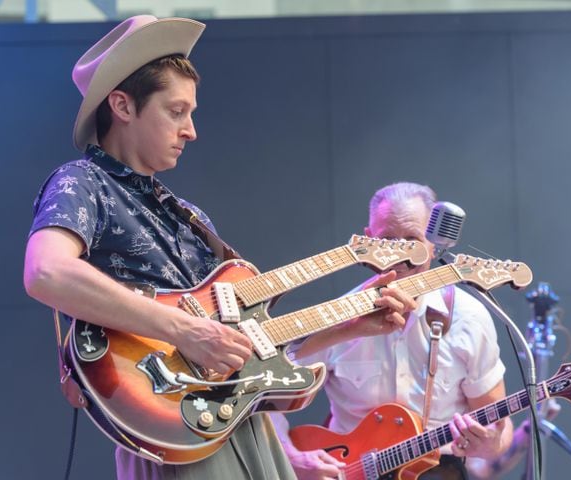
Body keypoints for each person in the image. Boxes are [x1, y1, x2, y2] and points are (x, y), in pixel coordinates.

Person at [23, 15, 415, 480]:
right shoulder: (83, 182)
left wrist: (346, 325)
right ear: (122, 106)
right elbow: (46, 271)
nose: (191, 130)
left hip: (243, 427)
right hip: (175, 434)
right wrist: (186, 331)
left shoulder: (190, 217)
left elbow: (246, 352)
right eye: (176, 111)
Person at [272, 182, 514, 480]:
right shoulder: (336, 316)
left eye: (412, 239)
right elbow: (264, 401)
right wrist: (292, 457)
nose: (402, 254)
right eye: (388, 240)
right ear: (368, 240)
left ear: (434, 242)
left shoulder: (468, 317)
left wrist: (490, 444)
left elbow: (498, 429)